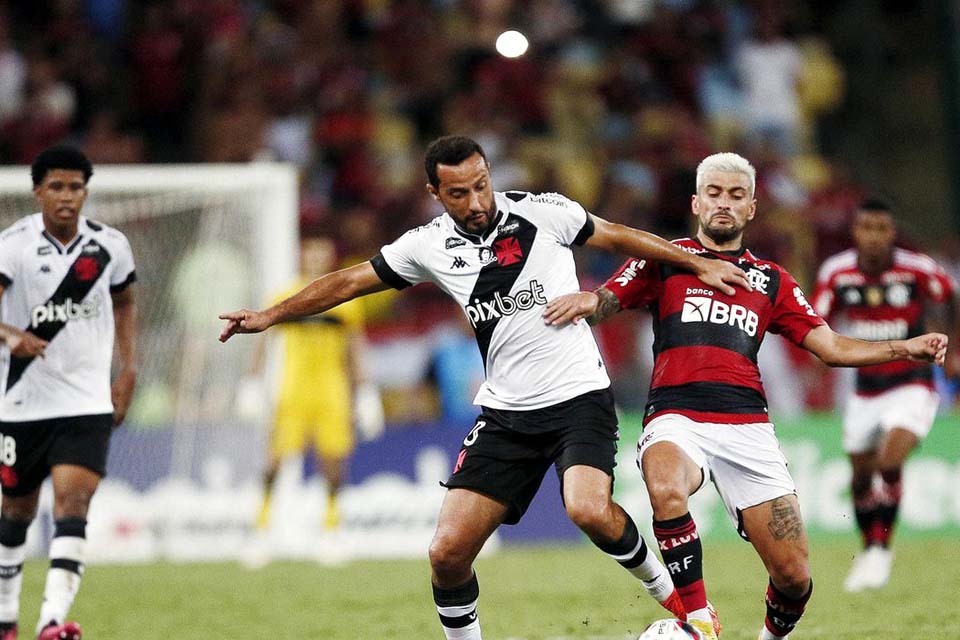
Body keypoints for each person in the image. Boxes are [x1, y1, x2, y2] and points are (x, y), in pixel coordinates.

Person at [220, 135, 753, 639]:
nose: (476, 201)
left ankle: (673, 596)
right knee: (446, 553)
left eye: (481, 185)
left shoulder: (542, 212)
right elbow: (348, 281)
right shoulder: (427, 246)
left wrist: (695, 261)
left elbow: (618, 235)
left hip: (579, 398)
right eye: (458, 192)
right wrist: (272, 315)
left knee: (587, 508)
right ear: (435, 194)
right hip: (506, 414)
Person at [542, 153, 948, 640]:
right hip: (676, 415)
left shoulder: (772, 280)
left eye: (736, 196)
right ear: (696, 201)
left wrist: (905, 346)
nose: (723, 204)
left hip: (747, 425)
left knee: (795, 579)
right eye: (713, 193)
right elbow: (610, 297)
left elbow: (832, 347)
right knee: (666, 485)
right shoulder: (666, 259)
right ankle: (697, 621)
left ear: (752, 208)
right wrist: (592, 301)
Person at [0, 145, 138, 640]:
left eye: (75, 187)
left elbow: (124, 302)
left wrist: (129, 368)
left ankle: (51, 622)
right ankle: (5, 618)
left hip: (86, 401)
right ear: (38, 191)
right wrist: (10, 334)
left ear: (86, 191)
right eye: (56, 187)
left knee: (73, 504)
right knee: (15, 511)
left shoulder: (111, 246)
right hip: (21, 400)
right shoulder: (12, 245)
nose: (66, 197)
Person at [811, 199, 959, 592]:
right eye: (866, 228)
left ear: (892, 233)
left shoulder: (916, 269)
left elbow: (951, 296)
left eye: (882, 228)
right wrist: (818, 367)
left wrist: (954, 352)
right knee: (860, 478)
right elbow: (815, 323)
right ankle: (869, 548)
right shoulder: (837, 273)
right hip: (864, 391)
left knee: (890, 457)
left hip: (913, 385)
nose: (874, 237)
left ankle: (881, 549)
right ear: (855, 232)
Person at [247, 236, 366, 539]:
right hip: (293, 387)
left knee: (333, 458)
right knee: (275, 456)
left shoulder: (346, 298)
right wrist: (250, 381)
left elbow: (355, 347)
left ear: (329, 259)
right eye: (311, 253)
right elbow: (263, 337)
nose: (315, 259)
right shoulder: (286, 295)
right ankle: (261, 522)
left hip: (331, 388)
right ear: (302, 256)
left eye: (322, 254)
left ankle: (331, 524)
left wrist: (366, 392)